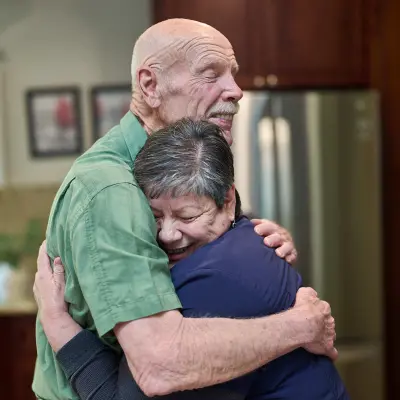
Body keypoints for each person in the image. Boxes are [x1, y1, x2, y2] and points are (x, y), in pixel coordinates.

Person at [32, 19, 336, 400]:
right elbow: (160, 364)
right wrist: (302, 326)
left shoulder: (176, 164)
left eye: (233, 74)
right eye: (211, 75)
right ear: (150, 85)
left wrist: (254, 236)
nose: (237, 91)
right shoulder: (113, 190)